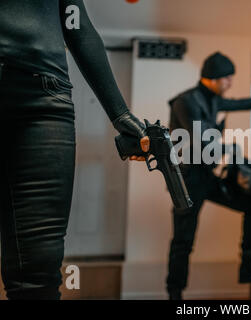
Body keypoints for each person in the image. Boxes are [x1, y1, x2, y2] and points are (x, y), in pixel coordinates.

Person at [0, 0, 148, 299]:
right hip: (43, 95)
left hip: (44, 99)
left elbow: (76, 24)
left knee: (38, 271)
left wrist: (120, 114)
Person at [166, 51, 251, 300]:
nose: (230, 82)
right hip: (187, 181)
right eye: (228, 78)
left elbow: (238, 102)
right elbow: (201, 138)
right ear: (214, 77)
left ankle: (248, 265)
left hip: (208, 177)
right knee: (183, 241)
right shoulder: (185, 102)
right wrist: (233, 151)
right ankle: (174, 294)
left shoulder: (215, 100)